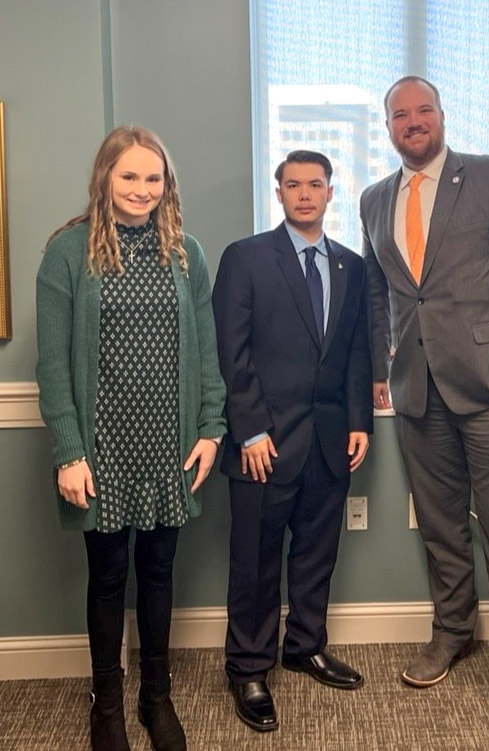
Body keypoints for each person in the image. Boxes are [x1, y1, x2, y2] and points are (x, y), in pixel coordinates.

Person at [360, 76, 489, 735]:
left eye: (423, 111)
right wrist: (377, 369)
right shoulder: (372, 200)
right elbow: (375, 294)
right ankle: (451, 632)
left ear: (441, 117)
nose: (412, 122)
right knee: (443, 528)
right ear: (387, 126)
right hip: (419, 392)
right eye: (400, 114)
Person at [36, 126, 226, 751]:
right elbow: (54, 366)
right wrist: (68, 450)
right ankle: (107, 702)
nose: (142, 190)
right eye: (129, 176)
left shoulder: (185, 253)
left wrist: (210, 429)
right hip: (101, 449)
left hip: (169, 445)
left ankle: (156, 695)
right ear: (105, 178)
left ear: (167, 183)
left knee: (160, 572)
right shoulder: (68, 253)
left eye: (154, 178)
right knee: (109, 576)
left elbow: (207, 353)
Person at [212, 150, 373, 732]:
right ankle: (248, 666)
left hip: (331, 440)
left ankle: (306, 645)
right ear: (277, 193)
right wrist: (250, 429)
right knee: (254, 560)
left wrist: (360, 421)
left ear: (331, 193)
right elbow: (230, 353)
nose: (305, 194)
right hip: (264, 444)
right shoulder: (247, 258)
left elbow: (356, 349)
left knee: (316, 552)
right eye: (293, 185)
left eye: (316, 184)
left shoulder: (351, 266)